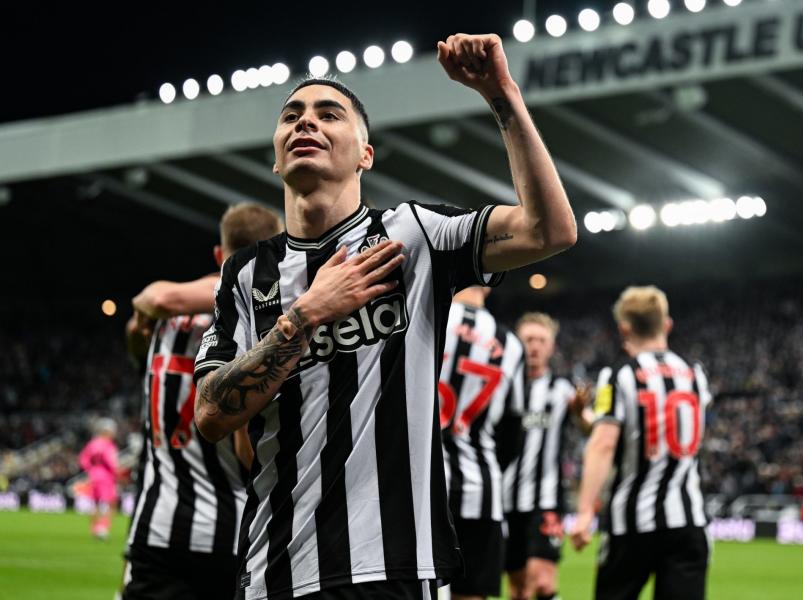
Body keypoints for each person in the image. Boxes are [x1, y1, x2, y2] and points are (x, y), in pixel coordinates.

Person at [192, 32, 576, 600]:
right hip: (275, 567)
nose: (306, 123)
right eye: (292, 115)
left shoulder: (412, 235)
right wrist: (305, 315)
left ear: (365, 154)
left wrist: (502, 95)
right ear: (275, 157)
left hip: (392, 567)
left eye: (329, 114)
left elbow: (551, 231)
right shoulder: (247, 275)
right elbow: (209, 414)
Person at [122, 203, 283, 600]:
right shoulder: (256, 323)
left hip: (157, 527)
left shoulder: (164, 317)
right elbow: (248, 450)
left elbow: (143, 321)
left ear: (218, 254)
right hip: (231, 535)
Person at [571, 287, 711, 600]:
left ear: (624, 328)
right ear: (667, 325)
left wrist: (583, 512)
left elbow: (604, 442)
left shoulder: (617, 376)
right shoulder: (695, 375)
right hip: (688, 520)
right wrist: (585, 419)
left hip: (632, 523)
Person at [439, 286, 524, 600]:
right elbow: (513, 434)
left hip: (418, 488)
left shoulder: (427, 314)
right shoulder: (511, 343)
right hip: (481, 490)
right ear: (488, 285)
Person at [503, 313, 583, 600]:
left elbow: (587, 426)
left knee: (543, 583)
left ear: (552, 347)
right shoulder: (503, 386)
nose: (534, 347)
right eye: (528, 340)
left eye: (541, 340)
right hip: (504, 501)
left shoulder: (563, 390)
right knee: (519, 588)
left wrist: (581, 413)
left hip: (546, 500)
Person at [78, 417, 119, 540]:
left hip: (93, 476)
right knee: (110, 503)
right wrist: (116, 473)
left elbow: (83, 459)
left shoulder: (92, 443)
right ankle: (103, 528)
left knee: (95, 504)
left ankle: (94, 529)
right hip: (106, 477)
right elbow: (111, 462)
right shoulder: (109, 445)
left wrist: (90, 470)